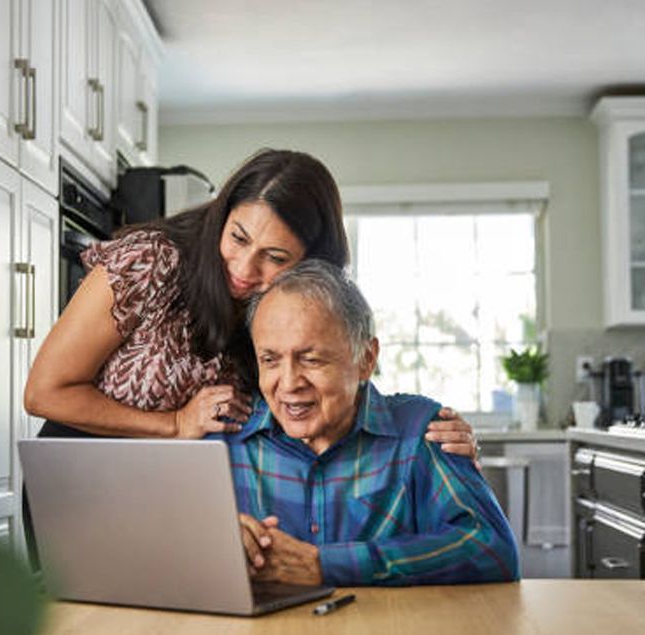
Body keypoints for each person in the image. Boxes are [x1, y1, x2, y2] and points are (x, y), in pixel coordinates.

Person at [24, 148, 476, 454]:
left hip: (188, 497)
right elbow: (44, 393)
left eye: (274, 257)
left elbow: (337, 385)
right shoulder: (150, 260)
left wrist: (430, 437)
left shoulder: (294, 308)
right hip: (82, 477)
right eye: (238, 237)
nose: (243, 268)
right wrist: (175, 424)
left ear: (311, 263)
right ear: (223, 215)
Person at [223, 259, 518, 586]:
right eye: (270, 360)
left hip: (390, 633)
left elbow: (492, 550)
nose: (289, 382)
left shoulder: (420, 431)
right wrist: (214, 543)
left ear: (366, 360)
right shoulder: (227, 439)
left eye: (311, 359)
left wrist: (325, 565)